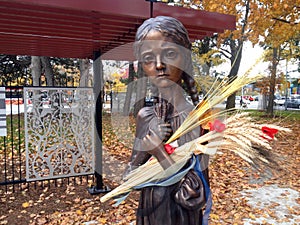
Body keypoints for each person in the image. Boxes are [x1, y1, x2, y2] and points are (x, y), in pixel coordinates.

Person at [126, 16, 210, 225]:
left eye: (169, 54)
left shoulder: (197, 118)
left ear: (185, 58)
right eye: (148, 58)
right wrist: (143, 154)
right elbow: (129, 177)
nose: (159, 65)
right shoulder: (145, 116)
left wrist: (160, 153)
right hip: (150, 213)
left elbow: (197, 192)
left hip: (180, 217)